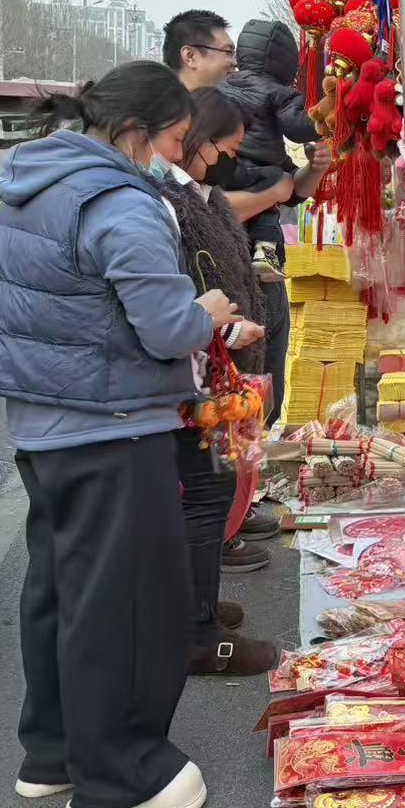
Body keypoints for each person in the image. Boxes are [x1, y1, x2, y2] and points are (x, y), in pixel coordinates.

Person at [0, 62, 235, 808]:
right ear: (136, 132)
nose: (175, 158)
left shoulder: (38, 183)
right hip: (110, 425)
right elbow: (165, 328)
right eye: (175, 141)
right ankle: (118, 779)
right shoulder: (118, 199)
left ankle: (53, 750)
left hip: (48, 427)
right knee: (127, 603)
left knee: (63, 593)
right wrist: (207, 311)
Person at [155, 87, 280, 675]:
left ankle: (192, 612)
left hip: (204, 361)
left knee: (208, 492)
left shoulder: (193, 196)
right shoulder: (161, 202)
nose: (225, 161)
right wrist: (221, 329)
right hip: (189, 371)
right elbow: (170, 302)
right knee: (202, 497)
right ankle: (195, 632)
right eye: (221, 150)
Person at [217, 18, 332, 424]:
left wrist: (315, 168)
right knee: (248, 386)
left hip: (260, 275)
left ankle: (254, 440)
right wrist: (327, 114)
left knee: (262, 373)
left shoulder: (223, 90)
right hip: (232, 281)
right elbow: (300, 128)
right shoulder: (277, 94)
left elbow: (292, 192)